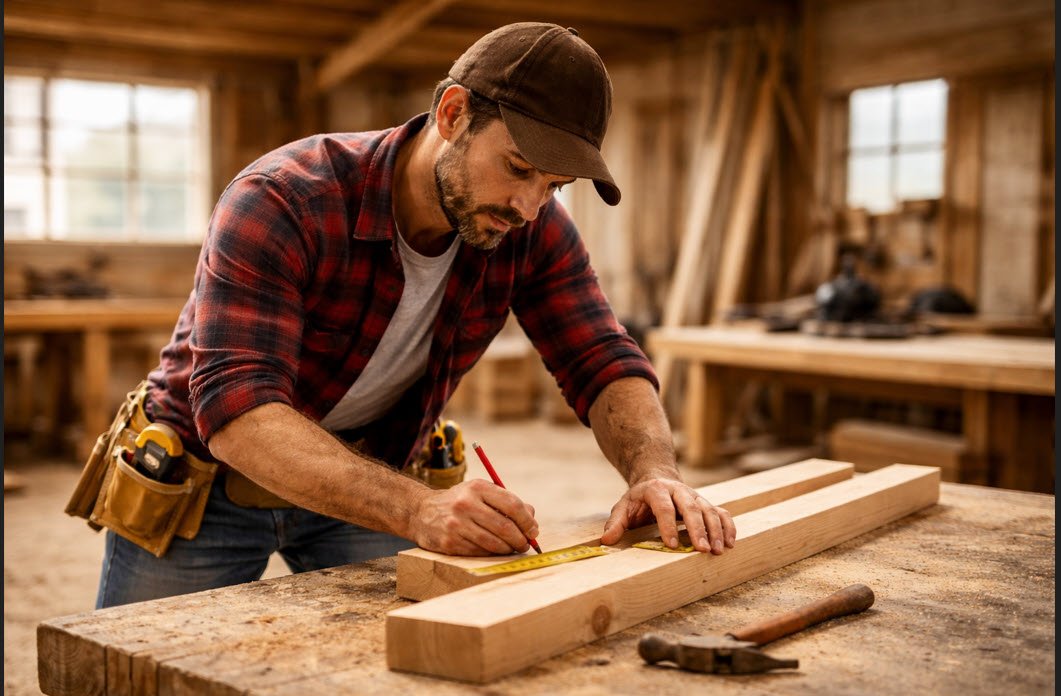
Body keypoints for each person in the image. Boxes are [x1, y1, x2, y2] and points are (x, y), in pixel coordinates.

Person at [94, 22, 736, 608]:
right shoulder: (283, 199)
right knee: (130, 667)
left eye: (554, 187)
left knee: (401, 661)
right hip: (204, 478)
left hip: (372, 470)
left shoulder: (528, 227)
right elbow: (237, 411)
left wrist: (654, 471)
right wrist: (419, 510)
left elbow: (600, 357)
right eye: (517, 168)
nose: (528, 207)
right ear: (453, 113)